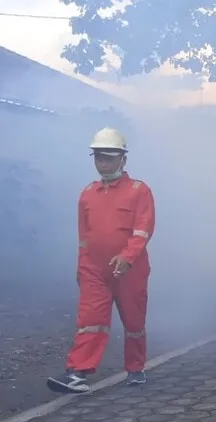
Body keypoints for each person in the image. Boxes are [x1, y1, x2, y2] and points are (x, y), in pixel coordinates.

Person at [47, 127, 155, 393]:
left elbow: (143, 230)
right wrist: (82, 267)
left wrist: (127, 257)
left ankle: (136, 368)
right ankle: (77, 373)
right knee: (90, 320)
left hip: (130, 271)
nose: (102, 163)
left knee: (134, 321)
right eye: (98, 157)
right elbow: (84, 237)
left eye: (108, 157)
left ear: (123, 159)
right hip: (94, 270)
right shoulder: (88, 193)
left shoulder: (139, 191)